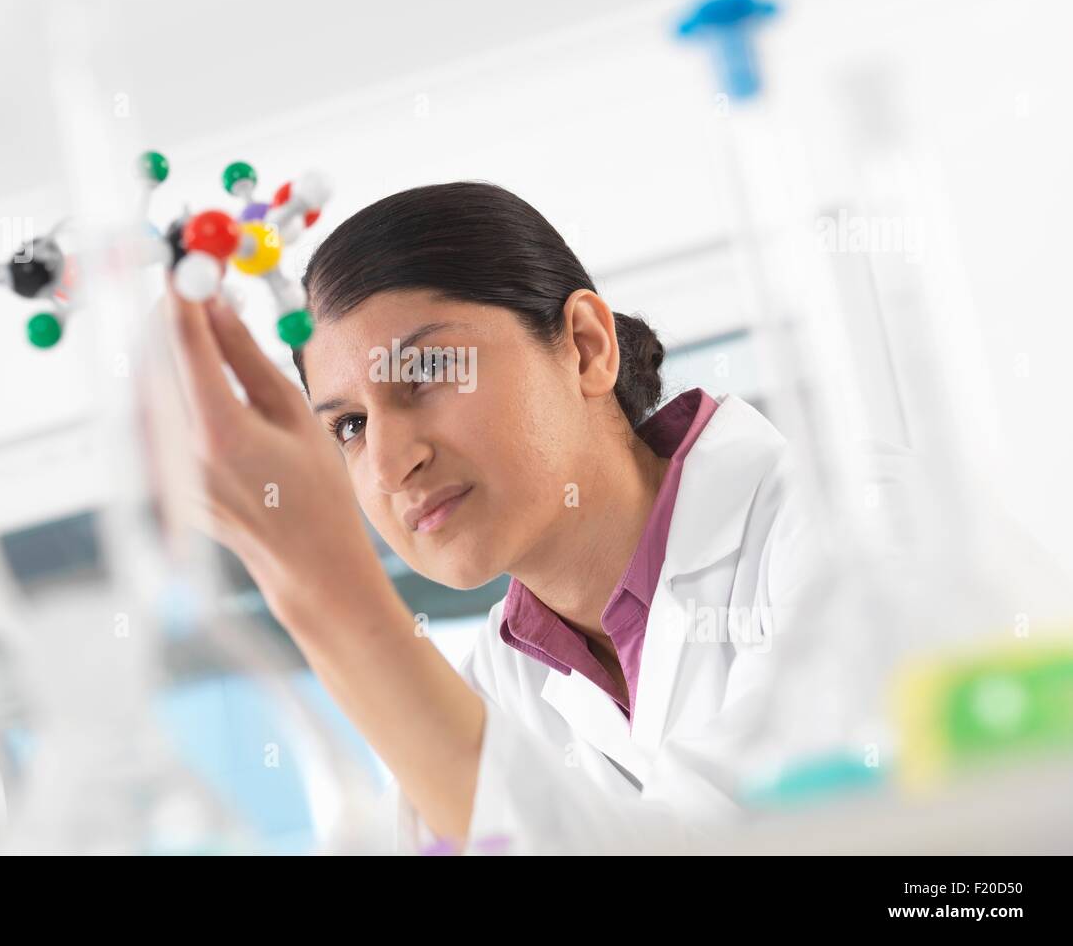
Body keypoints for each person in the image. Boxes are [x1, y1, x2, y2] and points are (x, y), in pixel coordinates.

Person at [161, 180, 830, 855]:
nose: (392, 464)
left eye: (427, 372)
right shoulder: (491, 689)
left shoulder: (837, 525)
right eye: (351, 424)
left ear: (587, 346)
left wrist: (326, 589)